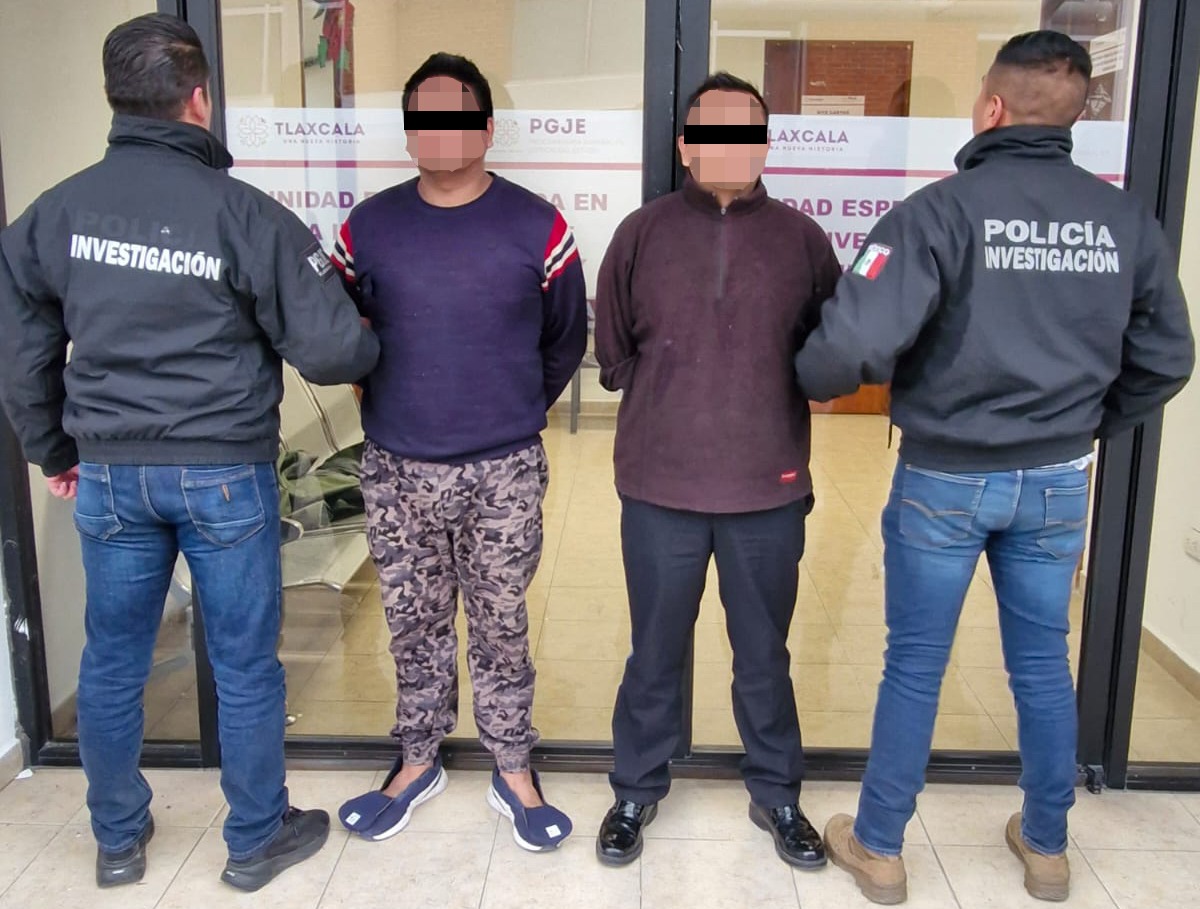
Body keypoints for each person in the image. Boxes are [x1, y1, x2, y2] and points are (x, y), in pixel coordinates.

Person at [793, 31, 1194, 905]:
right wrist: (1085, 422)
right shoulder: (1124, 220)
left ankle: (880, 846)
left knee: (915, 663)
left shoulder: (938, 213)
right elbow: (1168, 357)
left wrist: (807, 381)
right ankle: (1046, 847)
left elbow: (849, 346)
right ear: (1075, 115)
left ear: (993, 107)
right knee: (1043, 661)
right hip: (1057, 479)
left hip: (946, 477)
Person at [0, 13, 379, 893]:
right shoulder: (244, 215)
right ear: (200, 98)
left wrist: (54, 449)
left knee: (111, 660)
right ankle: (255, 837)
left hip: (109, 473)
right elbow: (334, 351)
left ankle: (117, 840)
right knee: (242, 662)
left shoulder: (52, 215)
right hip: (222, 473)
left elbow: (21, 357)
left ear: (115, 97)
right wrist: (357, 325)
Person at [332, 53, 587, 852]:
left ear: (485, 127)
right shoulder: (367, 227)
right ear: (410, 132)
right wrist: (379, 395)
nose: (441, 133)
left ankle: (513, 764)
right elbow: (339, 331)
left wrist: (509, 407)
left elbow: (564, 339)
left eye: (456, 117)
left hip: (501, 469)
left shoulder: (539, 227)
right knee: (414, 623)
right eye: (425, 118)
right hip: (397, 466)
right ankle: (418, 757)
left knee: (501, 622)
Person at [592, 72, 842, 869]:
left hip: (768, 487)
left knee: (764, 653)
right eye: (713, 132)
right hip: (659, 486)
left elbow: (830, 350)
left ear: (765, 146)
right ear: (686, 145)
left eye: (746, 133)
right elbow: (613, 348)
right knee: (654, 650)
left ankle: (778, 793)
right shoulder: (641, 234)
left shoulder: (803, 240)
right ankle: (636, 787)